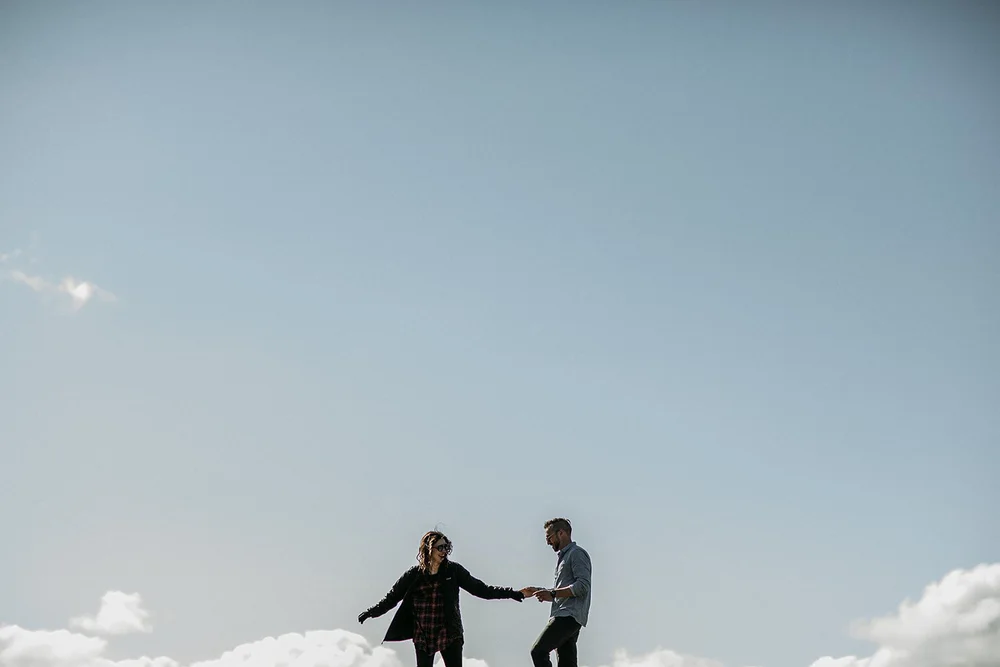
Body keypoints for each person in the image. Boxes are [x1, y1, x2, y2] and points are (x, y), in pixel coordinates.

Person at [358, 530, 535, 667]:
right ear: (429, 549)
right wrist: (371, 612)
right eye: (440, 547)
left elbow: (482, 590)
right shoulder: (414, 575)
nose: (444, 551)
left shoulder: (453, 571)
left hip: (449, 633)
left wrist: (515, 593)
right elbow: (392, 598)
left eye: (446, 547)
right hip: (423, 634)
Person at [525, 517, 593, 667]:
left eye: (549, 537)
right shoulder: (564, 557)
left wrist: (553, 593)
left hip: (567, 616)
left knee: (538, 651)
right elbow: (564, 592)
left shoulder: (576, 554)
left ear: (561, 533)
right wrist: (542, 592)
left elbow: (582, 586)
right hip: (568, 616)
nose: (547, 542)